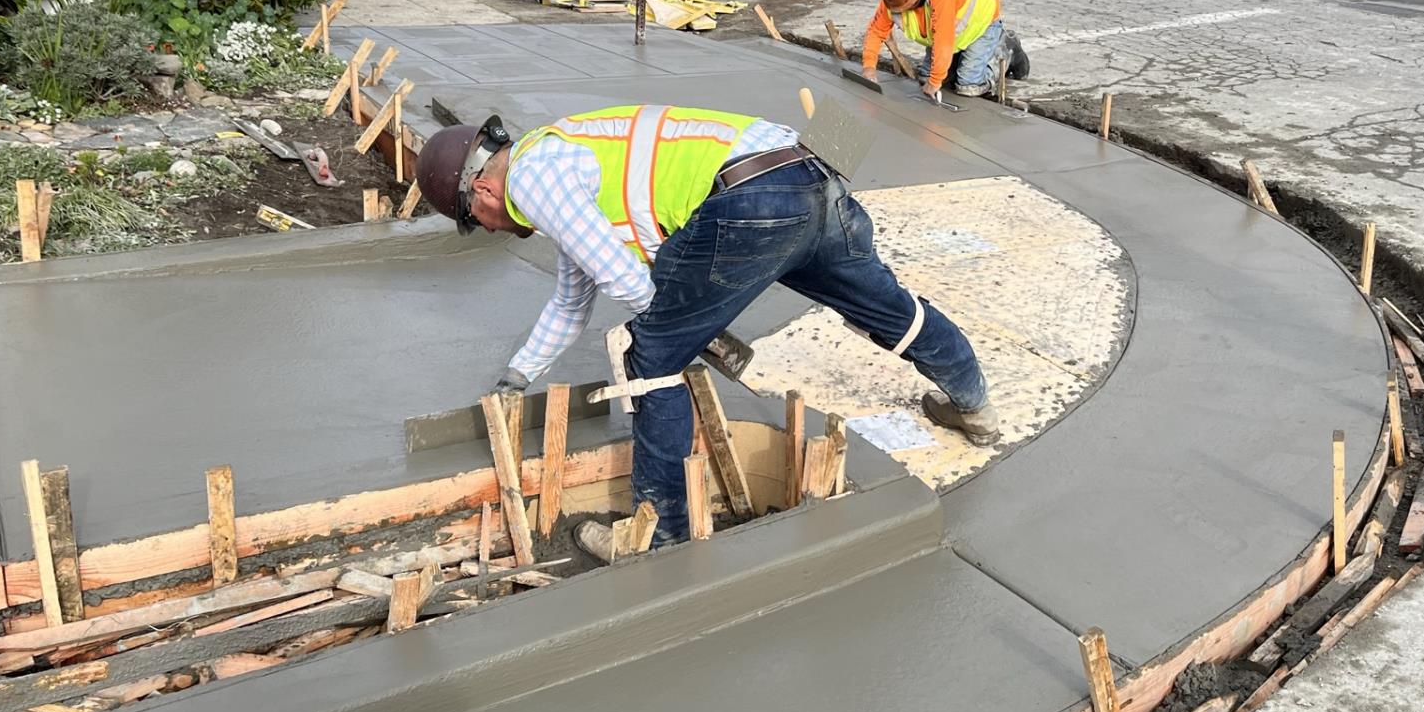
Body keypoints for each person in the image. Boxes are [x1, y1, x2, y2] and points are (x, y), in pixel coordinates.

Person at [413, 106, 1000, 560]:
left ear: (482, 192)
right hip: (807, 169)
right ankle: (973, 402)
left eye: (477, 222)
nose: (490, 229)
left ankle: (658, 533)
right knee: (887, 308)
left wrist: (674, 328)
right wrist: (517, 376)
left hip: (749, 200)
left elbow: (624, 279)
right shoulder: (556, 157)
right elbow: (573, 297)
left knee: (650, 361)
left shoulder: (530, 182)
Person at [862, 0, 1029, 98]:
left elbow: (944, 40)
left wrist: (935, 82)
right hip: (950, 35)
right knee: (925, 77)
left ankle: (1008, 48)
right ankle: (957, 61)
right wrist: (869, 67)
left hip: (981, 26)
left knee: (968, 86)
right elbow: (876, 31)